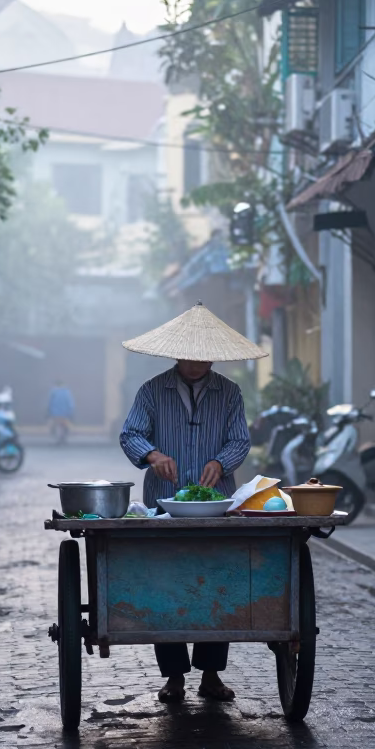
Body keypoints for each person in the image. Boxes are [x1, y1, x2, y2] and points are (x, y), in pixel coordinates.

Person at [119, 302, 266, 704]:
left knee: (215, 583)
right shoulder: (152, 391)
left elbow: (239, 441)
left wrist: (221, 462)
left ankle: (211, 675)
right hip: (163, 505)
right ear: (177, 353)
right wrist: (153, 456)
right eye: (191, 354)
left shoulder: (229, 393)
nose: (198, 361)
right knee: (166, 586)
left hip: (216, 505)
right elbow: (130, 434)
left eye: (205, 355)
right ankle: (174, 678)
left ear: (214, 356)